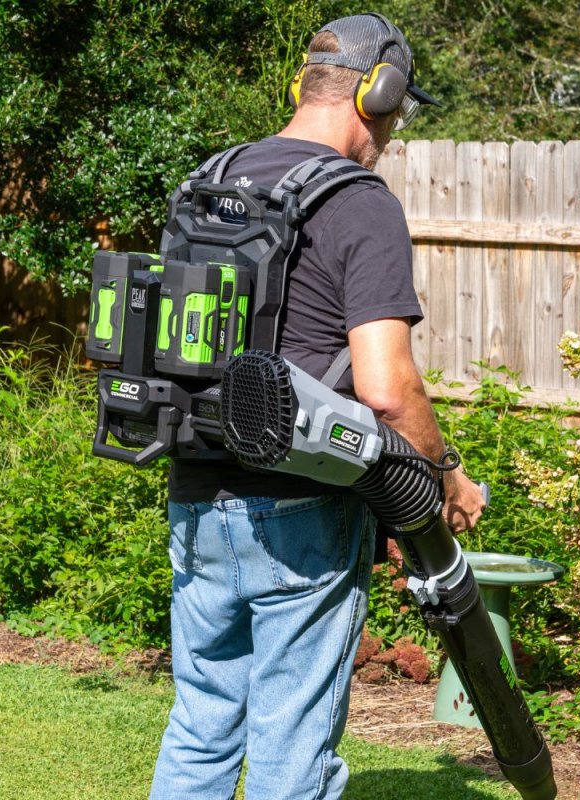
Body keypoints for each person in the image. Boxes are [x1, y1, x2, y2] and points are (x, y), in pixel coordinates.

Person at [149, 12, 486, 800]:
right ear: (380, 93)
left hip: (196, 495)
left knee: (200, 729)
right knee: (291, 749)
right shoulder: (359, 200)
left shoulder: (207, 180)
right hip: (301, 509)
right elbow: (386, 387)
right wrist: (446, 476)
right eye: (396, 116)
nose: (391, 136)